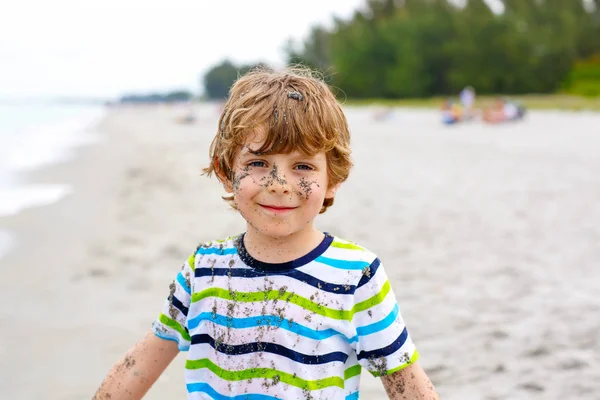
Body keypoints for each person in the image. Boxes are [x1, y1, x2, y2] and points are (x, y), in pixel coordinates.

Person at [93, 67, 440, 400]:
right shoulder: (203, 269)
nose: (279, 185)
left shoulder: (356, 276)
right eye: (258, 163)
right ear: (227, 172)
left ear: (332, 179)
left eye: (302, 166)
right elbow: (140, 365)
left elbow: (406, 385)